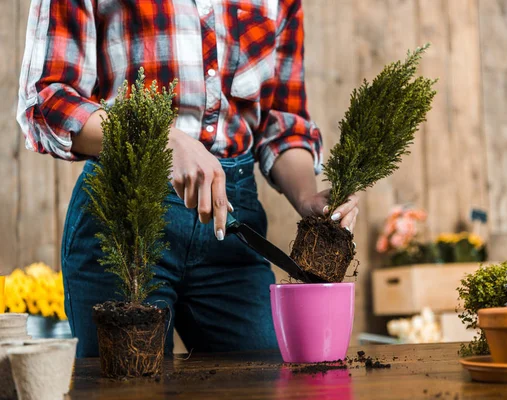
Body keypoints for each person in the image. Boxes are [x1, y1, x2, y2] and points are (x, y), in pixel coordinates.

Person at [17, 0, 359, 357]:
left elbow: (282, 122)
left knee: (267, 376)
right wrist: (157, 138)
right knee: (128, 386)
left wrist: (307, 196)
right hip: (126, 217)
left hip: (232, 223)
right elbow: (46, 98)